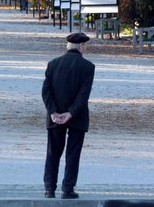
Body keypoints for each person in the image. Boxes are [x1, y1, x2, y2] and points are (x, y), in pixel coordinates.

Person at [41, 32, 95, 199]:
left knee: (53, 152)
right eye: (85, 45)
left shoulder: (53, 64)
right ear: (80, 46)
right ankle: (68, 188)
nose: (85, 48)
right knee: (73, 152)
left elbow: (46, 91)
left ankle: (50, 188)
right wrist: (70, 113)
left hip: (55, 117)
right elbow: (83, 95)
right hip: (77, 116)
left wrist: (53, 111)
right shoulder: (88, 67)